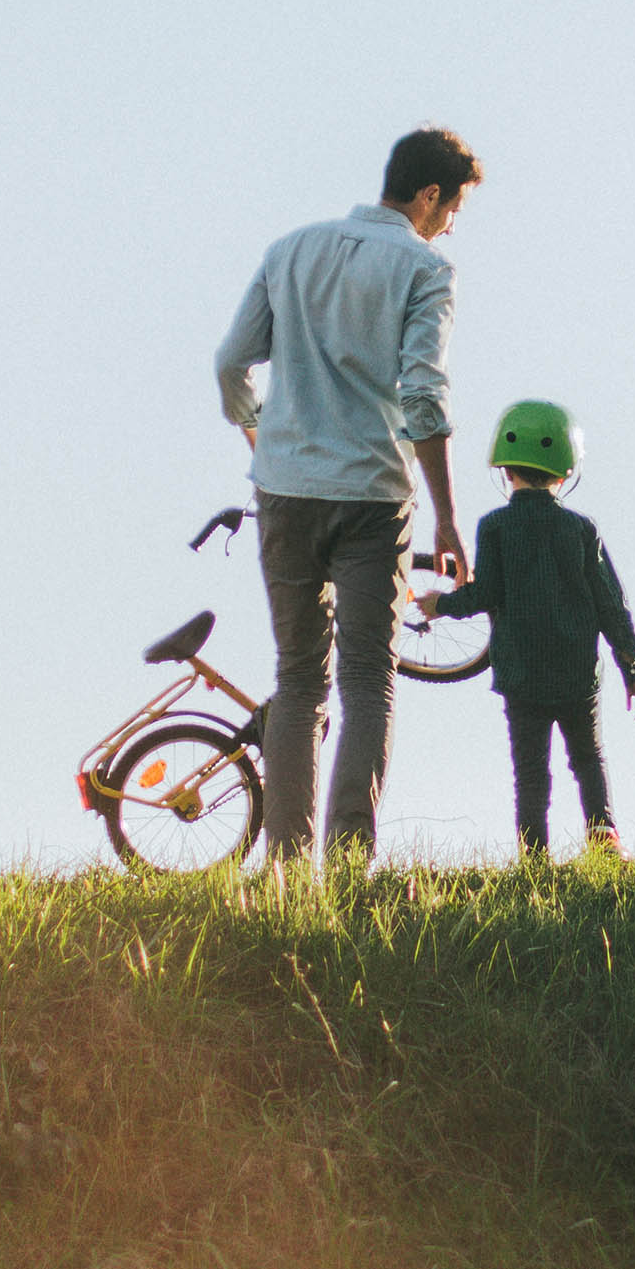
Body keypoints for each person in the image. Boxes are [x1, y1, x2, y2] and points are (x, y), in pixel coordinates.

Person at [212, 127, 480, 864]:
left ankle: (288, 870)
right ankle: (351, 867)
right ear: (429, 196)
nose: (453, 225)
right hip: (371, 496)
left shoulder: (291, 249)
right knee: (368, 680)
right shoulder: (427, 269)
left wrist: (259, 435)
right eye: (454, 209)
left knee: (298, 680)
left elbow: (231, 361)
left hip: (286, 491)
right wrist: (449, 519)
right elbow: (424, 398)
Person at [417, 398, 635, 859]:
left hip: (521, 676)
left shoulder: (495, 527)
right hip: (577, 673)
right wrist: (631, 667)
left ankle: (534, 859)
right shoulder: (582, 530)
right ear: (564, 473)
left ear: (505, 470)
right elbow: (610, 604)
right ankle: (604, 843)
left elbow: (484, 595)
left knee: (531, 773)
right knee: (588, 760)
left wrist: (440, 603)